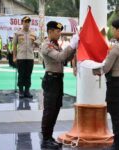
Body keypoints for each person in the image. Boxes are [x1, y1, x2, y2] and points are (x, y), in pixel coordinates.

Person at [93, 18, 119, 150]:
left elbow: (105, 68)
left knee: (116, 115)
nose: (113, 31)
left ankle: (117, 144)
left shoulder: (117, 47)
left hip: (115, 83)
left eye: (114, 29)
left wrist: (91, 66)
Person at [40, 21, 78, 149]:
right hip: (51, 80)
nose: (59, 33)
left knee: (55, 109)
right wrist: (72, 45)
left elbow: (65, 59)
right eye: (57, 31)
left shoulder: (56, 45)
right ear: (50, 31)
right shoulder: (46, 46)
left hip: (57, 80)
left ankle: (49, 136)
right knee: (49, 110)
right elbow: (61, 57)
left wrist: (74, 48)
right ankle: (45, 139)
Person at [13, 16, 36, 98]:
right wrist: (14, 57)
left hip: (30, 57)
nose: (27, 23)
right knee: (21, 74)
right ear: (22, 23)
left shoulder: (33, 33)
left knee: (28, 74)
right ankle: (21, 91)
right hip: (21, 57)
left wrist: (36, 42)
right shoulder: (18, 33)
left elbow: (37, 44)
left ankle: (27, 91)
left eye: (28, 22)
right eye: (25, 22)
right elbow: (14, 46)